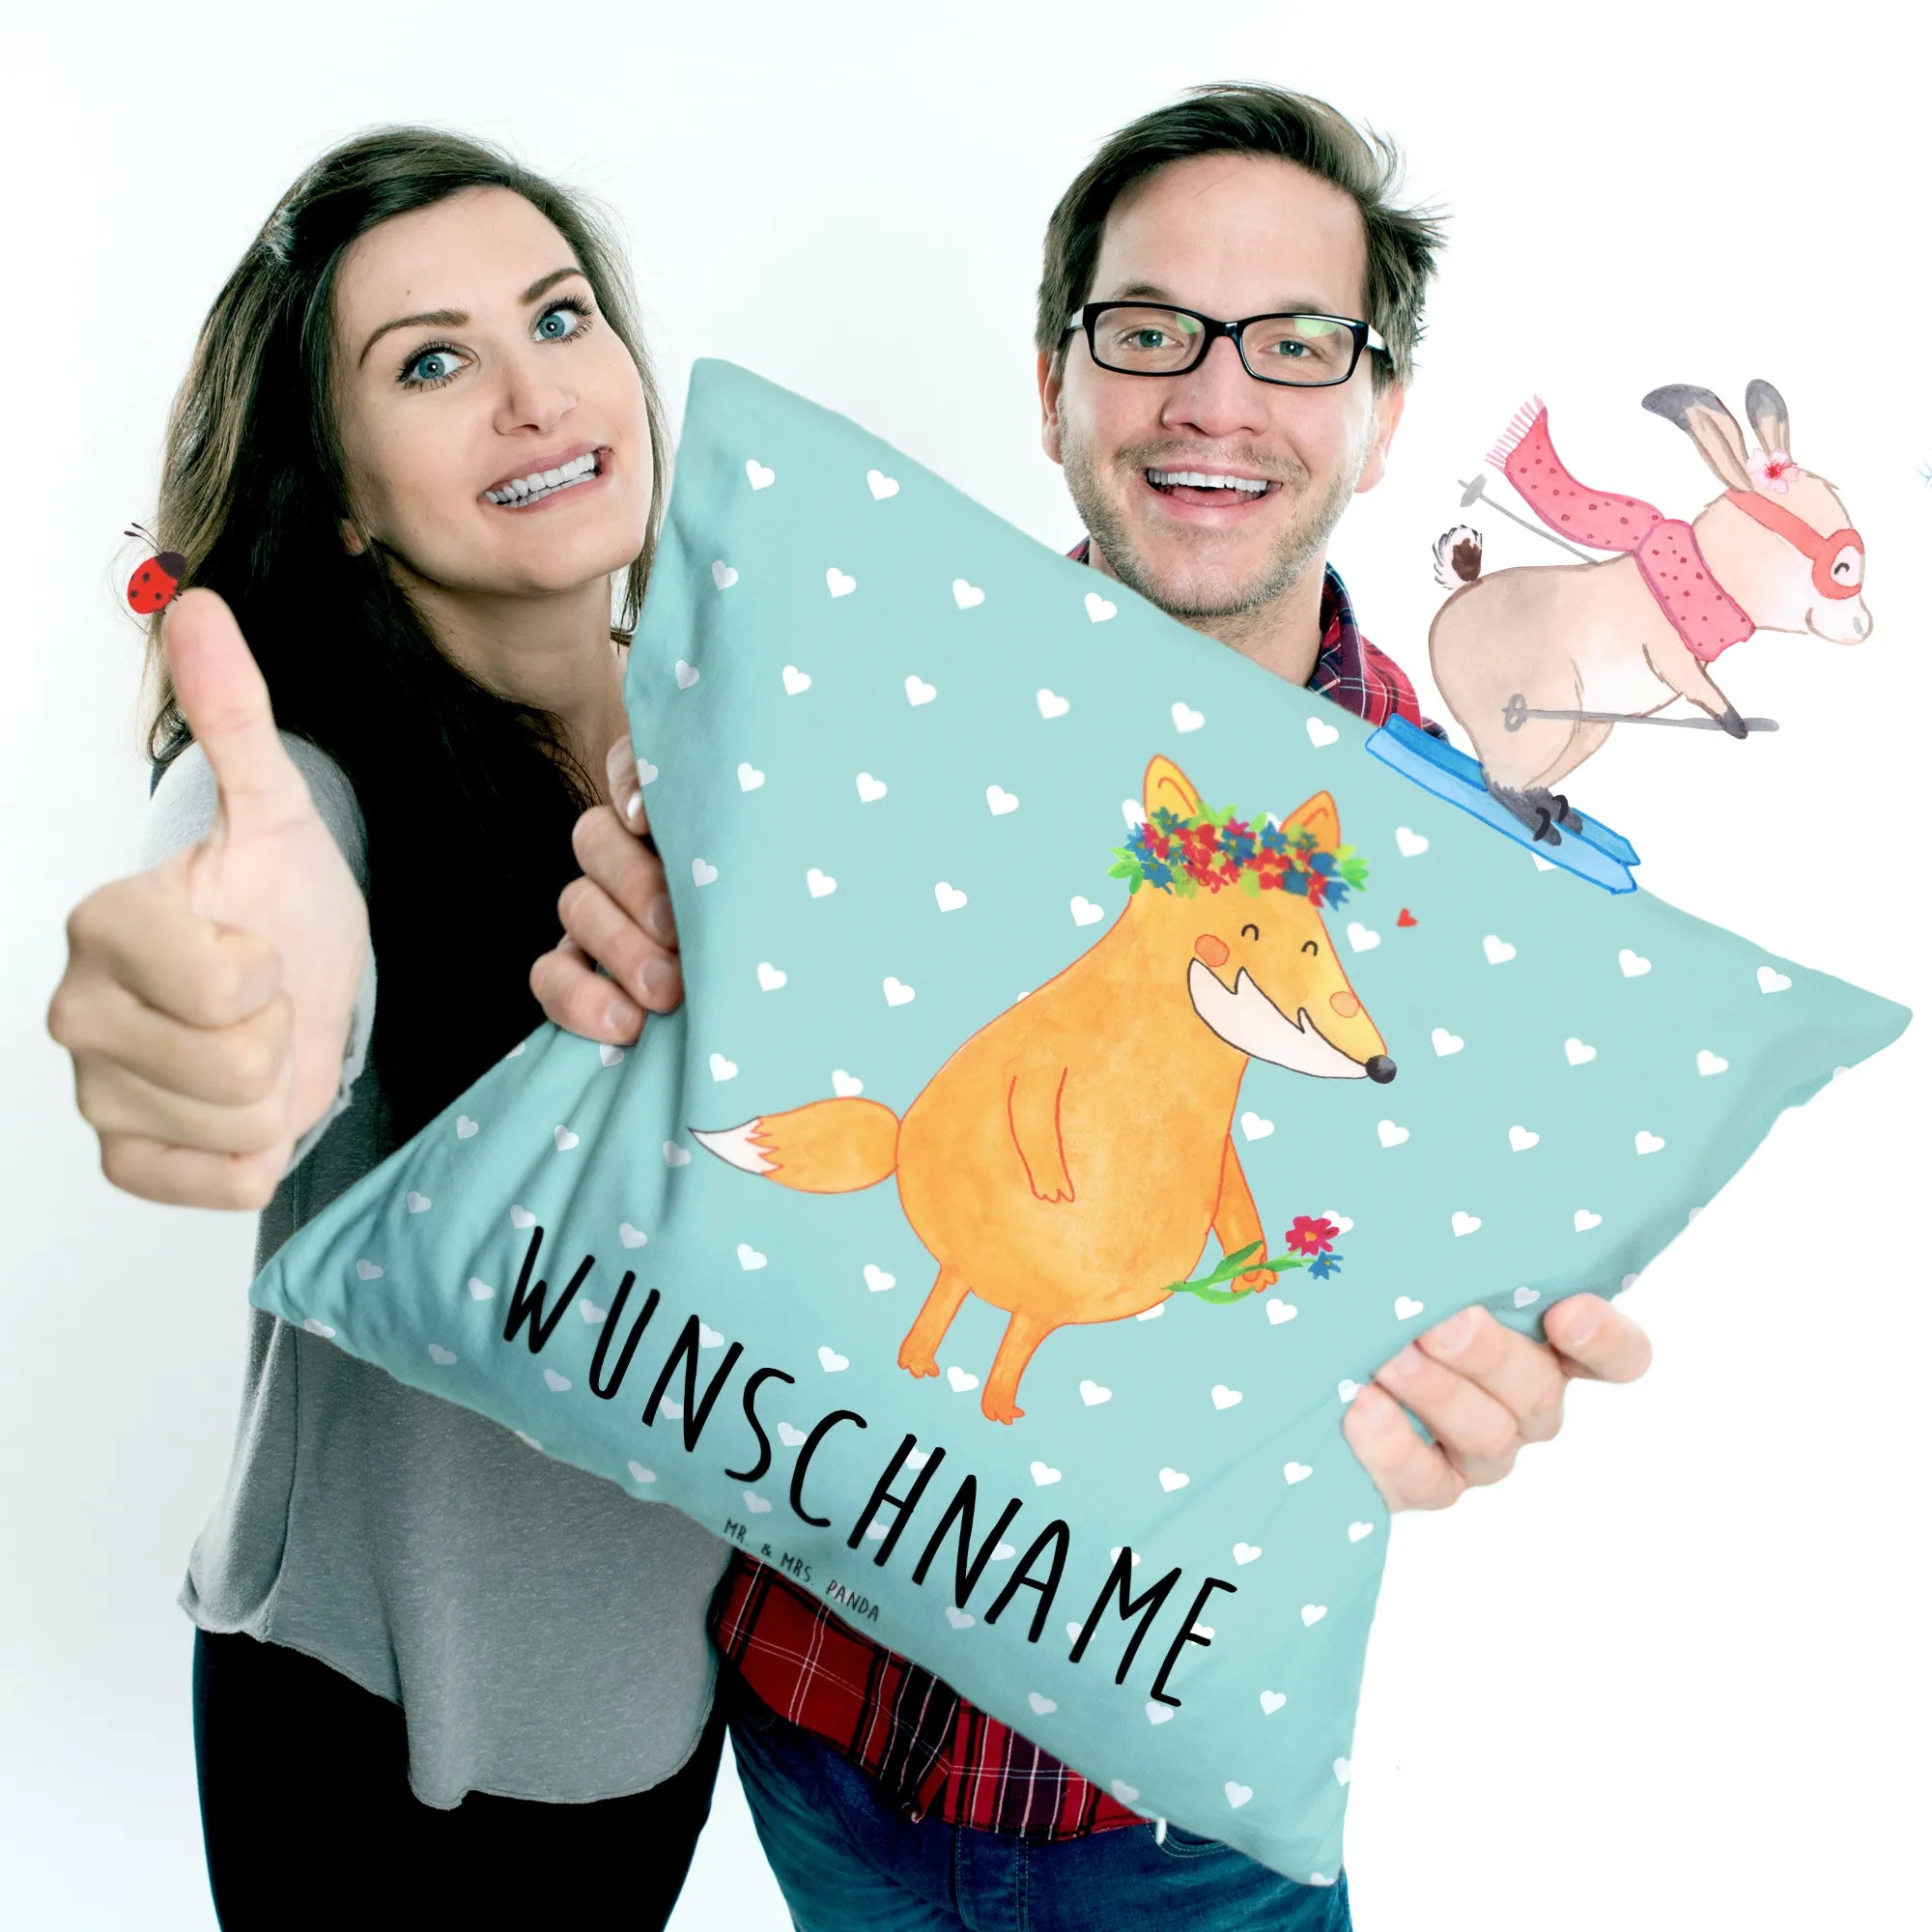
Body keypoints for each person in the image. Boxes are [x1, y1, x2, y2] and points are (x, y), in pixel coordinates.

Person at [533, 84, 1656, 1929]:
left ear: (1380, 418)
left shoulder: (1476, 884)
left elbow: (1430, 1296)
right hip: (807, 1740)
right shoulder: (842, 719)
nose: (1216, 398)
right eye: (1150, 333)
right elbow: (686, 1159)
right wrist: (626, 979)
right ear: (1054, 383)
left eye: (1296, 343)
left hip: (1181, 1820)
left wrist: (1482, 1380)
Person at [45, 129, 731, 1927]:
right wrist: (221, 1000)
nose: (533, 395)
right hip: (377, 1738)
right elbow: (253, 900)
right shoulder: (308, 782)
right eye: (431, 363)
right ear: (342, 495)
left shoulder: (738, 745)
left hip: (661, 1707)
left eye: (559, 318)